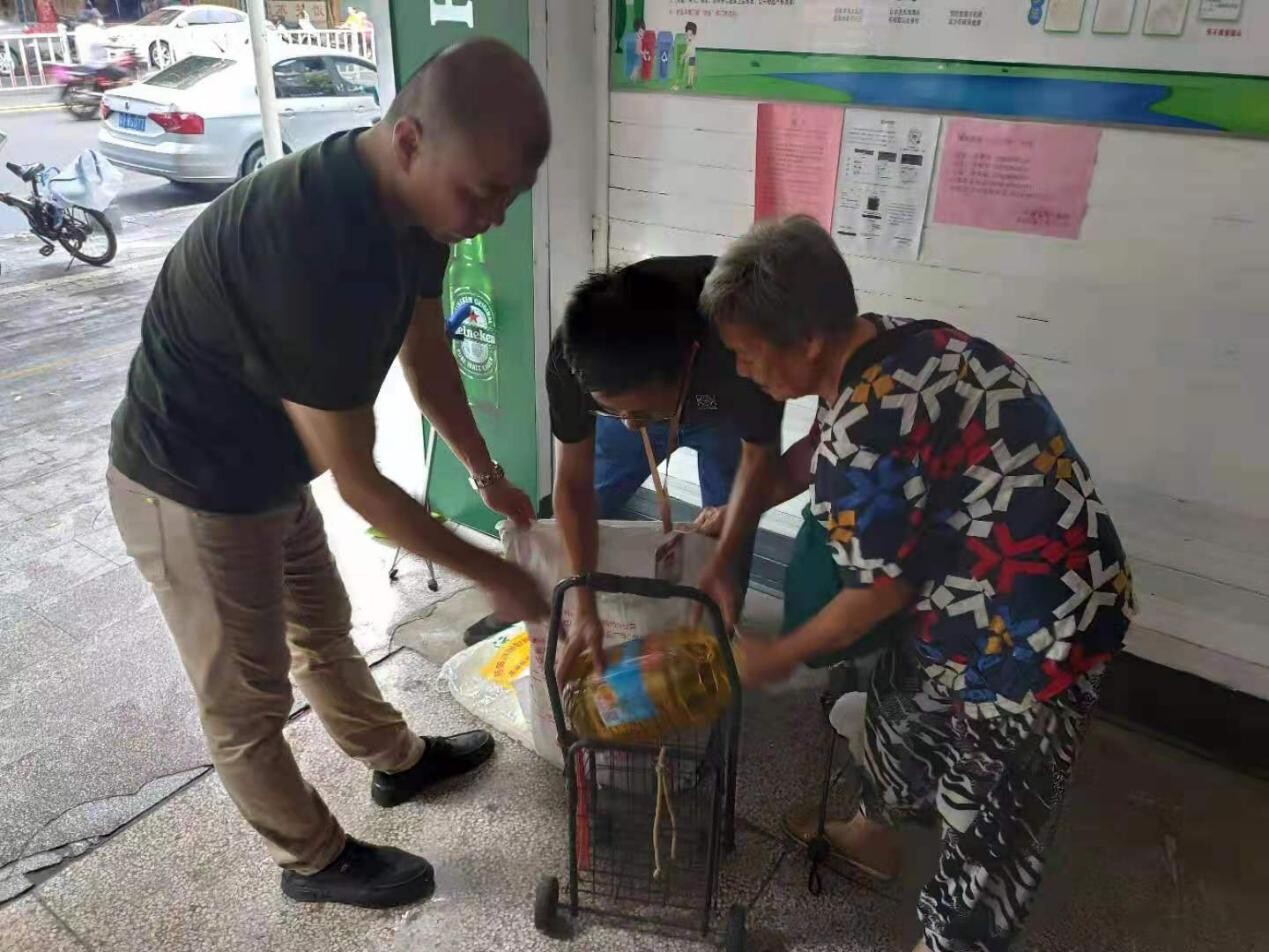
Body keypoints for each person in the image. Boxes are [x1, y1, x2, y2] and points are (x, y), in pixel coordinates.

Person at [106, 39, 551, 910]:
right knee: (246, 701)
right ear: (410, 140)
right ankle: (310, 860)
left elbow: (426, 358)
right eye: (484, 193)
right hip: (188, 483)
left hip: (272, 465)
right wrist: (503, 577)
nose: (494, 218)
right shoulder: (309, 243)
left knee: (322, 626)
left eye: (510, 197)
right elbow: (363, 487)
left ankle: (396, 762)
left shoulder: (421, 212)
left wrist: (485, 472)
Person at [699, 216, 1134, 952]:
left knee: (989, 820)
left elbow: (875, 596)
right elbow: (808, 454)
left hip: (1039, 625)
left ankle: (954, 938)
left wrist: (775, 655)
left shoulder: (871, 429)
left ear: (807, 339)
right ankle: (873, 836)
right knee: (901, 707)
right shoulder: (889, 342)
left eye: (746, 355)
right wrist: (731, 521)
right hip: (964, 588)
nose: (742, 373)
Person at [547, 257, 784, 677]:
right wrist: (583, 602)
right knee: (596, 495)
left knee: (727, 516)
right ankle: (565, 605)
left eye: (639, 412)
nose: (630, 424)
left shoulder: (745, 348)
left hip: (721, 414)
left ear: (689, 362)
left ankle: (718, 629)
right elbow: (573, 487)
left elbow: (759, 461)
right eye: (613, 410)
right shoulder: (574, 356)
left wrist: (722, 561)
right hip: (649, 391)